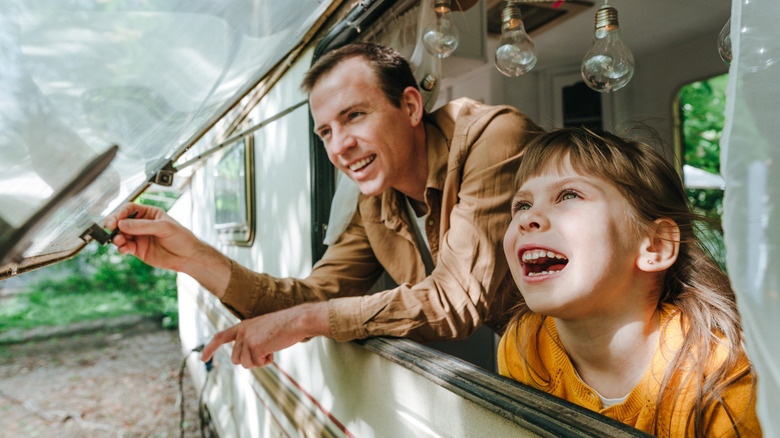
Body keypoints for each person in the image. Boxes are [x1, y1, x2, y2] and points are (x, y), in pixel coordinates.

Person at [105, 43, 543, 369]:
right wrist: (192, 256)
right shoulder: (374, 200)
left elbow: (455, 302)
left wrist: (304, 322)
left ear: (410, 106)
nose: (340, 147)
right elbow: (312, 296)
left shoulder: (493, 138)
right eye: (326, 132)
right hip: (537, 364)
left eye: (354, 116)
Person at [498, 127, 761, 436]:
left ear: (656, 246)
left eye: (569, 195)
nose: (528, 219)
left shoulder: (719, 374)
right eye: (522, 205)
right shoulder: (524, 344)